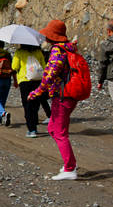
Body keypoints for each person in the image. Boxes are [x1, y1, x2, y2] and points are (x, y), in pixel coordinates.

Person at [28, 19, 80, 180]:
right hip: (69, 94)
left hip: (63, 95)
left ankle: (70, 168)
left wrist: (38, 91)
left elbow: (50, 73)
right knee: (53, 128)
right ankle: (69, 162)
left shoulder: (57, 51)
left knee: (59, 132)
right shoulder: (69, 48)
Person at [12, 43, 46, 137]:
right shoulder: (38, 52)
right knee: (35, 104)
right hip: (38, 80)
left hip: (24, 81)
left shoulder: (19, 52)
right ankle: (34, 126)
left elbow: (14, 67)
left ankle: (31, 130)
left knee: (27, 105)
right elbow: (44, 65)